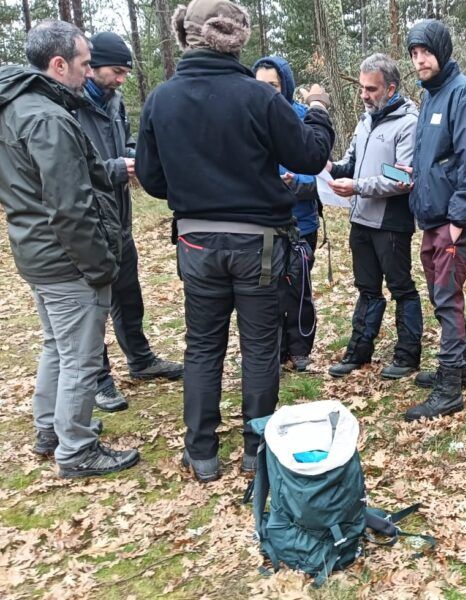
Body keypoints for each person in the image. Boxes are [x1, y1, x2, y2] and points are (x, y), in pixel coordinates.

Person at [136, 0, 334, 482]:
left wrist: (196, 192)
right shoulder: (257, 98)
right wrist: (319, 110)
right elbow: (309, 155)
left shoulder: (162, 98)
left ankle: (201, 451)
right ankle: (255, 449)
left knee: (202, 346)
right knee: (260, 346)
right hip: (257, 243)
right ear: (235, 37)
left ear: (190, 34)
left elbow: (150, 177)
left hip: (197, 242)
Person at [0, 20, 140, 478]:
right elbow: (70, 205)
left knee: (56, 346)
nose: (88, 72)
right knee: (79, 353)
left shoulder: (15, 108)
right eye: (84, 64)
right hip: (65, 259)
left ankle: (51, 429)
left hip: (35, 252)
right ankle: (76, 448)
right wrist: (99, 262)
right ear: (58, 65)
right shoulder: (48, 118)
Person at [76, 31, 183, 414]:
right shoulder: (71, 107)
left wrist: (134, 155)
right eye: (116, 71)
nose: (121, 79)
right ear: (92, 67)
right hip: (87, 226)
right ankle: (99, 378)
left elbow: (120, 147)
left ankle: (140, 359)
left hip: (120, 220)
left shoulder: (114, 102)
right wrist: (118, 168)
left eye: (124, 73)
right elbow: (69, 173)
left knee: (128, 296)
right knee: (93, 308)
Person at [400, 19, 466, 421]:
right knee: (442, 294)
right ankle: (461, 368)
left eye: (425, 52)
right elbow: (438, 159)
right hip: (431, 217)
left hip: (452, 220)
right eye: (414, 54)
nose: (420, 60)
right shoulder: (431, 97)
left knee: (446, 296)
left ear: (442, 50)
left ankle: (450, 387)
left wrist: (457, 222)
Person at [324, 53, 423, 381]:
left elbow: (403, 178)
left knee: (401, 289)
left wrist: (357, 186)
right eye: (362, 88)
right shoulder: (365, 121)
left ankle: (407, 355)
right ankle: (359, 351)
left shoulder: (408, 123)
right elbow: (349, 163)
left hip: (391, 224)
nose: (364, 95)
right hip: (361, 221)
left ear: (390, 88)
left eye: (371, 89)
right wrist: (325, 166)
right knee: (367, 289)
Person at [253, 55, 321, 373]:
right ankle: (276, 351)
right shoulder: (247, 119)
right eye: (260, 85)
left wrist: (294, 182)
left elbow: (316, 172)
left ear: (286, 86)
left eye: (273, 85)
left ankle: (300, 349)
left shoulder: (303, 118)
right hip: (263, 226)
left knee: (299, 288)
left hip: (301, 225)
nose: (267, 91)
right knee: (268, 290)